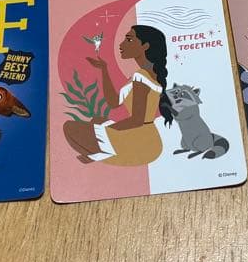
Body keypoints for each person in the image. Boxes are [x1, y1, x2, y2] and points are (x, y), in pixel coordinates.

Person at [63, 25, 173, 166]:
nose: (121, 45)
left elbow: (136, 121)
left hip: (140, 143)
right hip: (149, 140)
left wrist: (106, 131)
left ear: (145, 46)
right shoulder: (145, 74)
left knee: (69, 128)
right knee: (97, 119)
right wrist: (104, 69)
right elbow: (113, 102)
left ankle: (103, 152)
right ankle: (101, 150)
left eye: (129, 40)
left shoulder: (141, 76)